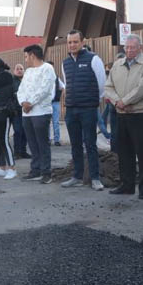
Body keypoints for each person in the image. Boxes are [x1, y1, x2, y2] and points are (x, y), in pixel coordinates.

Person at [105, 34, 143, 199]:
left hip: (140, 114)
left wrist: (125, 101)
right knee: (124, 152)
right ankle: (127, 185)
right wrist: (117, 102)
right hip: (121, 114)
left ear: (140, 48)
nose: (129, 50)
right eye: (126, 47)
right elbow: (108, 86)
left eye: (132, 47)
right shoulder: (117, 65)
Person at [60, 30, 107, 191]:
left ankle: (95, 178)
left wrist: (93, 101)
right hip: (71, 109)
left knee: (90, 143)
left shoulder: (94, 59)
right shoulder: (65, 63)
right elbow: (67, 85)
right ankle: (77, 177)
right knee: (75, 145)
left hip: (88, 108)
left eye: (75, 42)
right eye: (69, 42)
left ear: (82, 42)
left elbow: (102, 84)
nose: (72, 45)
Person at [17, 44, 56, 184]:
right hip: (27, 113)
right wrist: (23, 103)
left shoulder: (47, 69)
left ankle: (46, 173)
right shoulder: (28, 72)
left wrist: (30, 103)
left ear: (32, 55)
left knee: (42, 143)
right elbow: (20, 90)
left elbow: (45, 89)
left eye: (26, 56)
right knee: (32, 143)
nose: (26, 59)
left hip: (41, 112)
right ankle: (35, 170)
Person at [11, 63, 30, 159]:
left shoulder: (27, 80)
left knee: (25, 131)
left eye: (21, 69)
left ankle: (23, 151)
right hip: (16, 111)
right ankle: (17, 152)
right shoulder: (11, 81)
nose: (19, 70)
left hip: (26, 110)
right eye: (17, 69)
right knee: (18, 131)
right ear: (14, 71)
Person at [50, 66, 65, 146]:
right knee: (47, 122)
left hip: (55, 102)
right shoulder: (44, 77)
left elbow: (63, 87)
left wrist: (60, 97)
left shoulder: (56, 78)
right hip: (47, 103)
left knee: (56, 122)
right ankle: (48, 139)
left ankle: (56, 140)